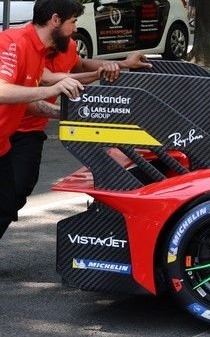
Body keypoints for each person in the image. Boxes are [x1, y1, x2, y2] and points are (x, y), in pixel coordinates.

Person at [2, 43, 151, 242]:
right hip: (9, 128)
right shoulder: (28, 48)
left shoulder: (68, 44)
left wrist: (122, 64)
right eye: (71, 26)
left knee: (18, 191)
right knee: (8, 198)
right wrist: (73, 112)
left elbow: (79, 64)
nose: (74, 30)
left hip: (30, 134)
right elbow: (45, 84)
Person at [0, 0, 87, 243]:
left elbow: (29, 101)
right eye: (72, 21)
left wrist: (67, 114)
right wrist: (50, 90)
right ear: (55, 20)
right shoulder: (14, 43)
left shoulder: (40, 50)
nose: (75, 29)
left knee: (7, 203)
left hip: (3, 145)